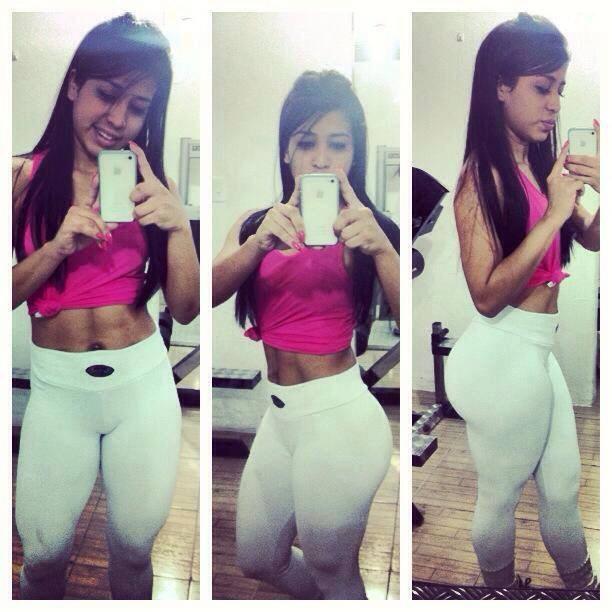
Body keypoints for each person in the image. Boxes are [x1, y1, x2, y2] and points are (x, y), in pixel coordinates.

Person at [12, 14, 199, 599]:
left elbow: (186, 309)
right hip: (58, 391)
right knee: (43, 554)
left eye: (137, 107)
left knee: (135, 547)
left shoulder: (152, 187)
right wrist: (56, 247)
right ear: (74, 84)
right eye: (107, 94)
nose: (118, 119)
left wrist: (178, 228)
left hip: (141, 386)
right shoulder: (20, 179)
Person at [212, 70, 400, 599]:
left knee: (332, 566)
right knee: (257, 559)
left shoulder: (368, 230)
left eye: (338, 144)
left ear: (355, 154)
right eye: (306, 142)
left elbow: (404, 321)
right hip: (279, 417)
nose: (321, 159)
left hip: (340, 420)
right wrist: (258, 245)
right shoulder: (254, 224)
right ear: (286, 150)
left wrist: (382, 248)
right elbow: (203, 296)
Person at [445, 13, 599, 589]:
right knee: (501, 494)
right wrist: (555, 213)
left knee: (562, 486)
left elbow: (594, 238)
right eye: (542, 87)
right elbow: (486, 296)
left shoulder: (537, 168)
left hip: (533, 353)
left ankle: (583, 590)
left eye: (560, 88)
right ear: (501, 87)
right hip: (500, 357)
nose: (554, 103)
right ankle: (502, 593)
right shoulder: (479, 177)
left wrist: (596, 190)